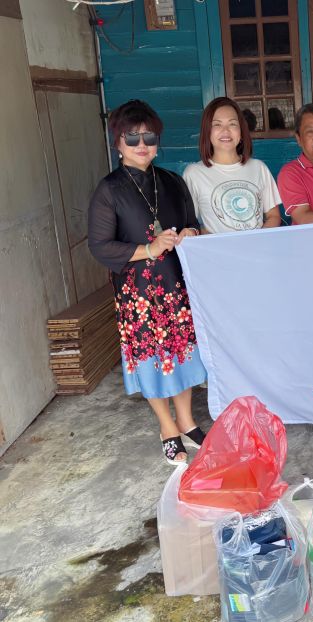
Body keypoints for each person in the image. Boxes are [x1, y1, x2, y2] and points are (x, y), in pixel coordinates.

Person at [88, 100, 207, 465]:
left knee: (182, 356)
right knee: (153, 361)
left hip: (175, 285)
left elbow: (192, 223)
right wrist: (149, 247)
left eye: (149, 137)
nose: (142, 144)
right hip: (137, 294)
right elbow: (100, 246)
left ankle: (186, 421)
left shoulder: (171, 181)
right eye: (132, 137)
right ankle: (167, 427)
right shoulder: (109, 190)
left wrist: (189, 232)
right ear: (118, 142)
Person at [183, 97, 282, 234]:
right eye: (217, 124)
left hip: (257, 251)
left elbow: (274, 216)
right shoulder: (194, 173)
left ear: (241, 131)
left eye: (232, 124)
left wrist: (257, 241)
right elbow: (191, 225)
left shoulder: (258, 168)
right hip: (218, 253)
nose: (225, 131)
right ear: (207, 131)